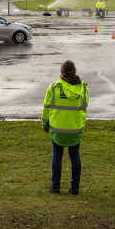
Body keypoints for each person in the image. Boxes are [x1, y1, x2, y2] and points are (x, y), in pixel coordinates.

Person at [42, 60, 89, 195]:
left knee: (57, 155)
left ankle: (56, 186)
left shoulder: (54, 87)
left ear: (61, 72)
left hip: (57, 129)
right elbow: (85, 107)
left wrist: (45, 124)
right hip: (75, 129)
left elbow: (46, 108)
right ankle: (75, 188)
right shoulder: (83, 88)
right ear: (74, 71)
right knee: (75, 156)